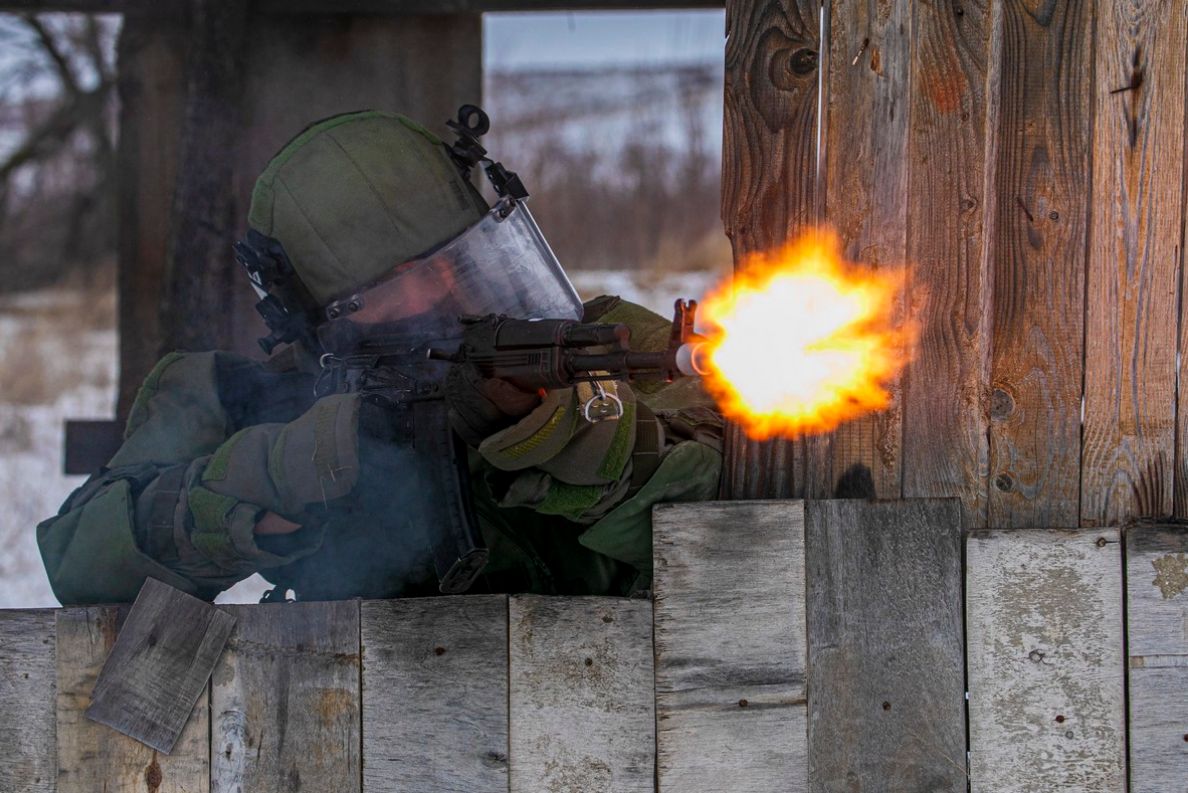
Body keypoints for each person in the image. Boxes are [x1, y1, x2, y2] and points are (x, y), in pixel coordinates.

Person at [37, 108, 723, 605]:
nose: (445, 289)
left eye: (461, 256)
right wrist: (286, 470)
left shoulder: (594, 345)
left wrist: (577, 437)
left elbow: (737, 502)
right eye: (396, 284)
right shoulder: (234, 395)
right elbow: (82, 562)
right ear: (317, 320)